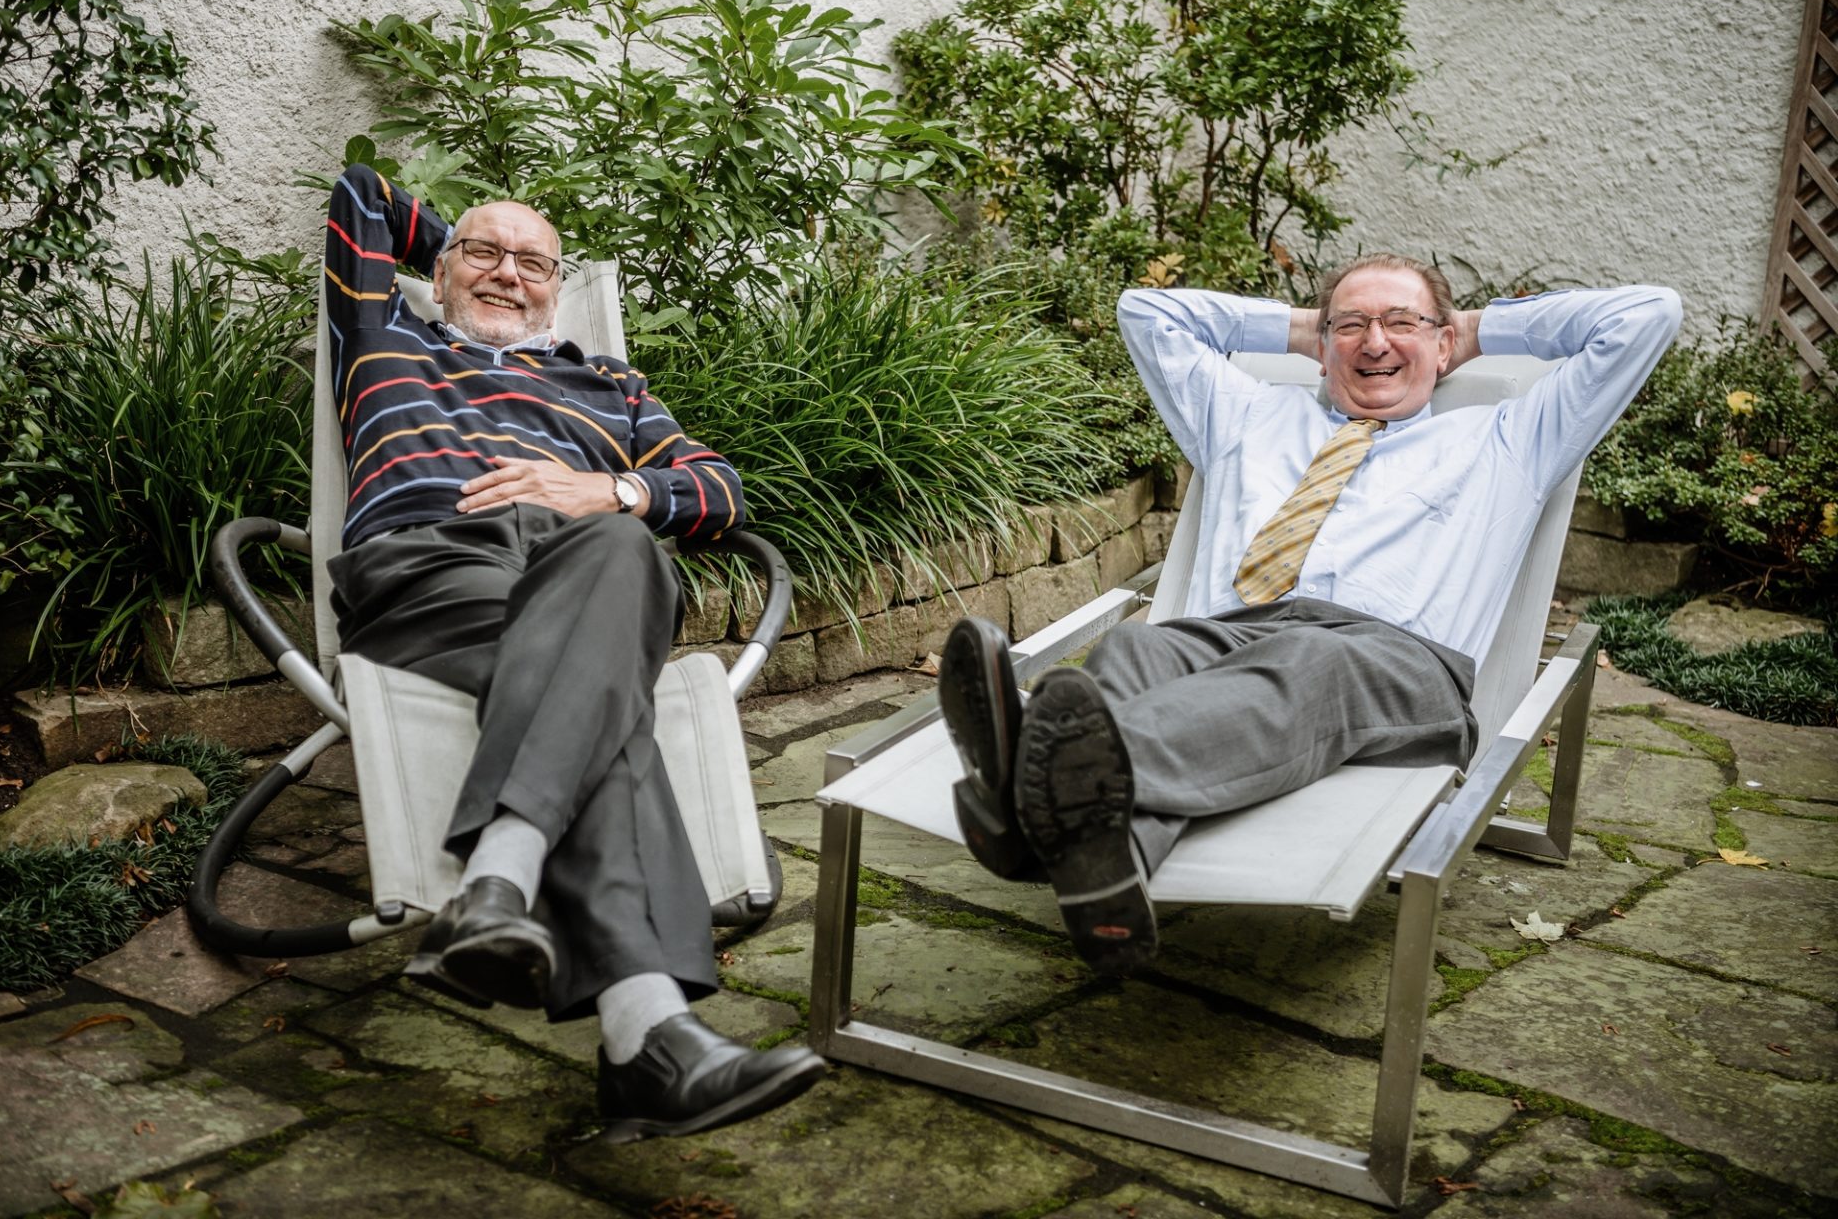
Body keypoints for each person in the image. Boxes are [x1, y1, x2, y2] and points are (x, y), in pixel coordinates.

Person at [938, 255, 1682, 975]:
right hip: (1227, 636)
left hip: (1394, 664)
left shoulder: (1512, 437)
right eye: (1352, 325)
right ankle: (1100, 864)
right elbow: (1148, 311)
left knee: (1307, 662)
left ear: (1444, 341)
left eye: (1401, 323)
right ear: (1322, 343)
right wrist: (1308, 329)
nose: (1376, 342)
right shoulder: (1244, 415)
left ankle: (1026, 780)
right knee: (1135, 656)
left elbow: (1646, 315)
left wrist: (1471, 328)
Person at [322, 164, 824, 1140]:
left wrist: (612, 491)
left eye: (535, 264)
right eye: (484, 253)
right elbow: (362, 194)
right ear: (439, 267)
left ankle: (501, 884)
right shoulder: (382, 335)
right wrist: (462, 257)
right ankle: (647, 1032)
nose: (510, 274)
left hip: (580, 572)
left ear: (564, 288)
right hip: (435, 571)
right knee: (606, 706)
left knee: (621, 546)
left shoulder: (612, 385)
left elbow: (719, 490)